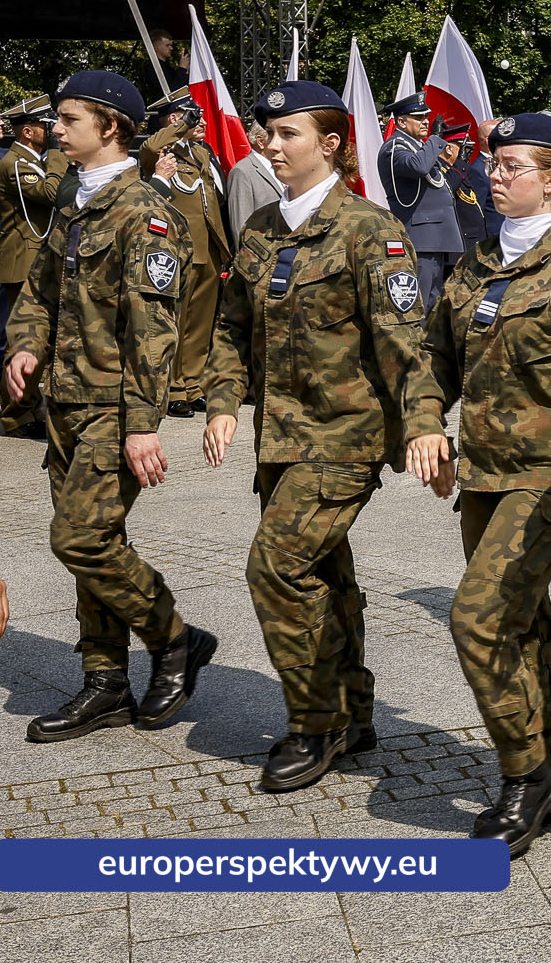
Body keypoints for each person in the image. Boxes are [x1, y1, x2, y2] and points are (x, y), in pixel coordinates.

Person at [405, 113, 551, 858]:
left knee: (478, 616)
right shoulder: (477, 262)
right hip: (486, 471)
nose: (496, 174)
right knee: (522, 619)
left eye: (512, 165)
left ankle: (523, 773)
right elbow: (431, 357)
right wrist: (423, 424)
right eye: (494, 163)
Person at [201, 81, 430, 791]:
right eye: (268, 132)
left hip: (345, 436)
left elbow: (405, 343)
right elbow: (233, 323)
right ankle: (354, 712)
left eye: (287, 133)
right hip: (280, 438)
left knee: (275, 566)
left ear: (330, 143)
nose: (270, 142)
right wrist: (220, 403)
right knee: (326, 573)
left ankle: (315, 721)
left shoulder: (369, 228)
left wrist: (422, 426)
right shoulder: (263, 226)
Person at [5, 71, 216, 742]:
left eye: (69, 119)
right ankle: (104, 681)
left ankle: (176, 637)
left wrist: (142, 425)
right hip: (63, 401)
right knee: (98, 543)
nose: (56, 128)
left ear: (111, 127)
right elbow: (40, 286)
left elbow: (154, 335)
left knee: (78, 537)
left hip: (110, 406)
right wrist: (24, 345)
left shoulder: (144, 211)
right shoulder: (74, 196)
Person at [139, 95, 228, 417]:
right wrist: (182, 125)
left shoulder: (200, 153)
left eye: (199, 118)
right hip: (179, 249)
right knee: (176, 321)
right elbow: (148, 149)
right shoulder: (162, 154)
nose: (201, 123)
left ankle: (192, 385)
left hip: (208, 248)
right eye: (193, 118)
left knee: (201, 324)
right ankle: (172, 388)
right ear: (174, 119)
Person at [378, 93, 464, 313]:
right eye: (418, 117)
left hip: (435, 238)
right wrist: (435, 138)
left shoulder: (417, 146)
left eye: (426, 116)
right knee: (419, 306)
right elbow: (418, 167)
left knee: (433, 304)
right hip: (421, 238)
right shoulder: (394, 147)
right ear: (401, 122)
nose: (426, 121)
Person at [0, 106, 64, 384]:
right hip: (23, 260)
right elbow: (50, 192)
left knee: (40, 338)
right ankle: (18, 414)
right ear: (27, 132)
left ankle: (31, 407)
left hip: (39, 256)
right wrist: (59, 152)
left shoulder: (37, 161)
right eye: (44, 126)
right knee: (22, 340)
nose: (50, 132)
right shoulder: (15, 163)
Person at [223, 120, 283, 239]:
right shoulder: (242, 171)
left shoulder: (281, 167)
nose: (280, 143)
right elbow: (240, 225)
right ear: (261, 142)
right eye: (273, 136)